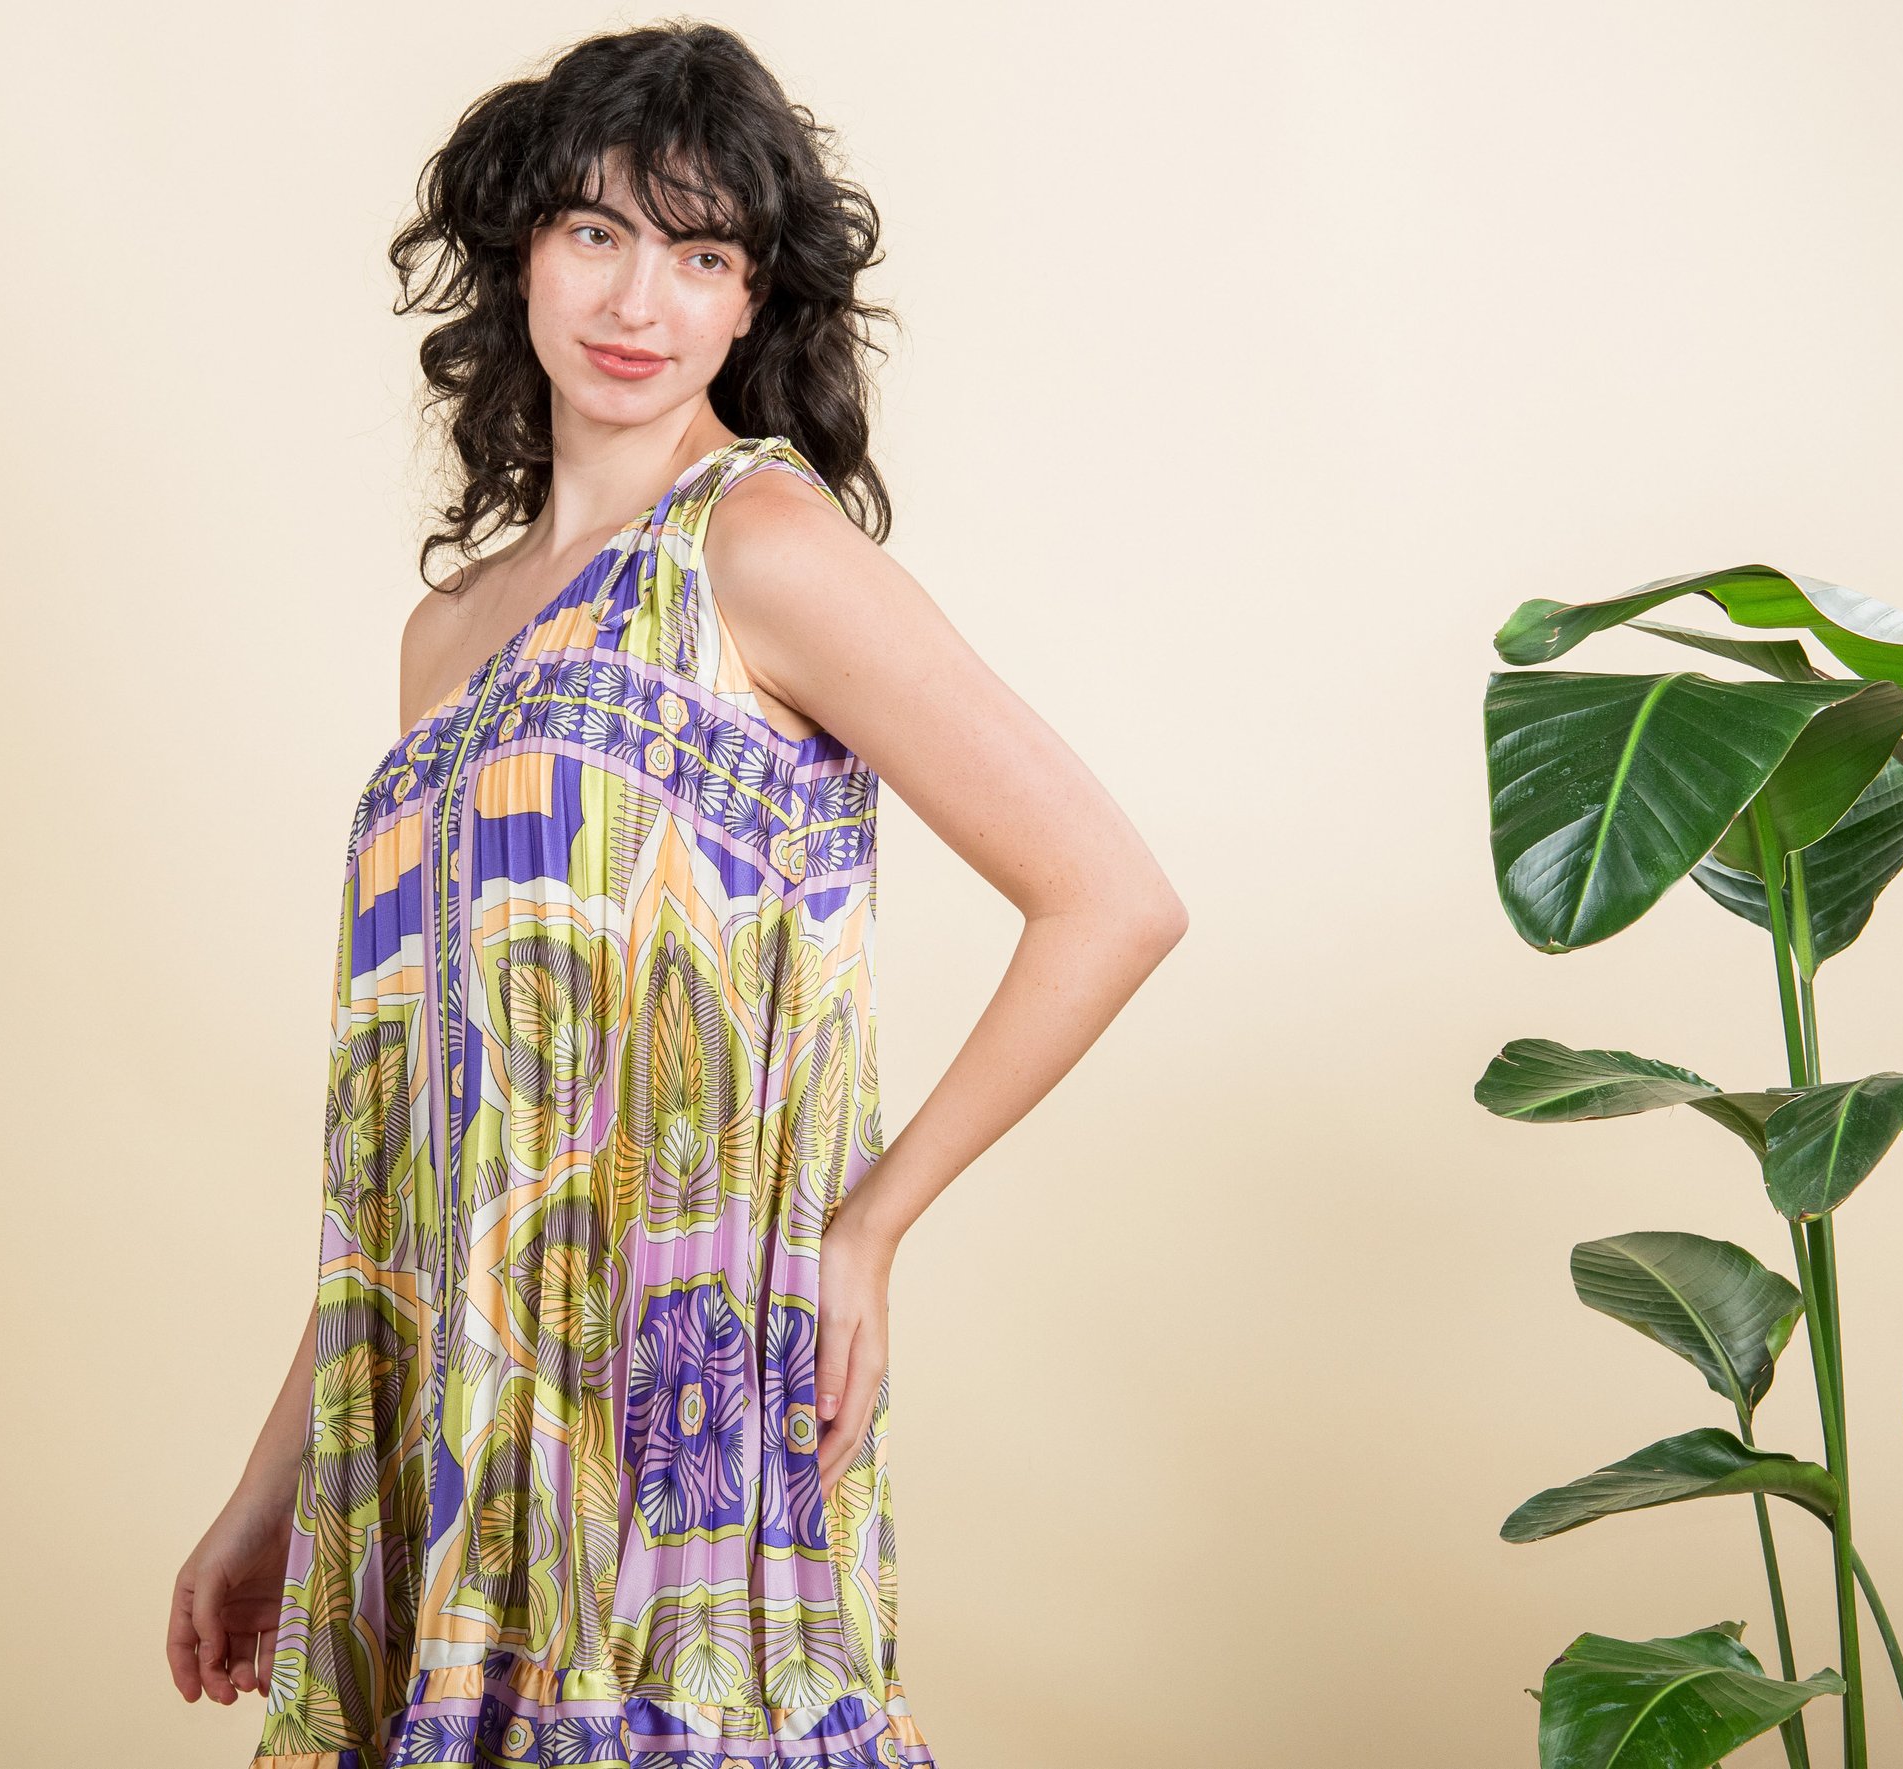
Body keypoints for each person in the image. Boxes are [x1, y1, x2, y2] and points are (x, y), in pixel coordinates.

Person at [163, 21, 1187, 1766]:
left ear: (751, 302)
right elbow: (439, 1115)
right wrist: (276, 1484)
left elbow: (1111, 896)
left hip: (680, 1384)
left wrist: (865, 1226)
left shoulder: (761, 550)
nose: (639, 299)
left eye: (699, 252)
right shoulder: (449, 637)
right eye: (597, 234)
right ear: (523, 256)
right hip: (451, 1420)